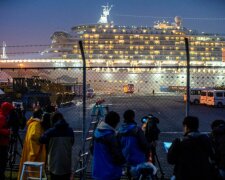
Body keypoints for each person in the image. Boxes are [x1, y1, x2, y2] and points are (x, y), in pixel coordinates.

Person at [167, 116, 215, 180]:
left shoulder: (179, 142)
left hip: (184, 175)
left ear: (186, 127)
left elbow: (170, 160)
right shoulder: (207, 139)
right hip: (203, 174)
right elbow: (213, 157)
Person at [40, 112, 74, 180]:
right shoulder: (70, 131)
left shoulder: (50, 132)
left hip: (54, 165)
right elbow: (72, 142)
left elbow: (41, 140)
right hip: (66, 164)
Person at [92, 111, 126, 180]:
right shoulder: (110, 136)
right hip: (111, 173)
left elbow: (92, 149)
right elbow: (117, 156)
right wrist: (125, 161)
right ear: (115, 123)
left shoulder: (97, 132)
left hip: (97, 171)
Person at [18, 108, 46, 180]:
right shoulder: (36, 124)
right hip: (33, 152)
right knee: (33, 172)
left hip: (30, 150)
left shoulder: (32, 123)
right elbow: (34, 136)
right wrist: (41, 141)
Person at [0, 102, 14, 180]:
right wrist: (8, 132)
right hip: (2, 144)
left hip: (2, 143)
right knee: (2, 162)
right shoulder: (2, 117)